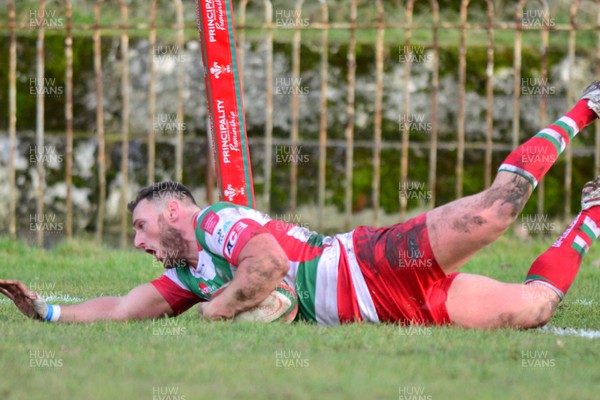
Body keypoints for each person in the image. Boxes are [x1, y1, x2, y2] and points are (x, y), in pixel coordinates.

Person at [2, 82, 600, 328]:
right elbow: (119, 309)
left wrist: (219, 311)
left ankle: (586, 108)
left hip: (371, 264)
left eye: (141, 226)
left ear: (176, 212)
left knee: (496, 212)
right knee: (536, 308)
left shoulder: (217, 222)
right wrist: (49, 312)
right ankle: (593, 215)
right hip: (391, 313)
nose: (137, 241)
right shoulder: (190, 271)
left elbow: (266, 268)